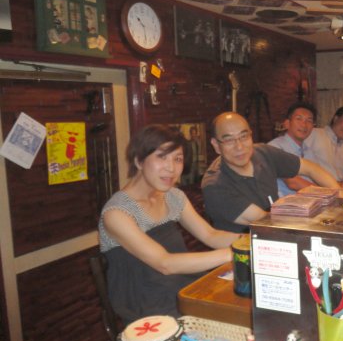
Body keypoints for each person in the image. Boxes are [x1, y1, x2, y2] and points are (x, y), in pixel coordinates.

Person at [98, 125, 241, 324]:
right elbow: (165, 263)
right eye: (162, 157)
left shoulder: (173, 196)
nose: (171, 168)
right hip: (147, 305)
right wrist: (236, 253)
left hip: (182, 287)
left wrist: (252, 240)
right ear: (139, 161)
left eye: (178, 159)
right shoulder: (117, 213)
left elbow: (210, 235)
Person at [201, 112, 343, 233]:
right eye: (229, 140)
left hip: (275, 235)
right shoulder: (215, 185)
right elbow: (266, 221)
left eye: (244, 136)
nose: (239, 147)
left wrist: (342, 197)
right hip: (245, 252)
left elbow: (310, 168)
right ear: (216, 145)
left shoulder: (263, 153)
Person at [268, 101, 318, 197]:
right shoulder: (275, 147)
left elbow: (317, 177)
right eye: (299, 119)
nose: (304, 125)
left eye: (309, 121)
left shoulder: (308, 150)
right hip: (283, 203)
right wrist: (325, 191)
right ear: (287, 124)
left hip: (308, 201)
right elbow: (293, 182)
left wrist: (337, 188)